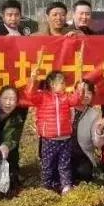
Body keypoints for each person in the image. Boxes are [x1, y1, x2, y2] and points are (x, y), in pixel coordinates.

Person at [24, 60, 83, 194]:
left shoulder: (66, 97)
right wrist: (33, 78)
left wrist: (80, 88)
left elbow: (77, 100)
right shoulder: (42, 97)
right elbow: (29, 94)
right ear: (52, 84)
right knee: (48, 164)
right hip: (49, 138)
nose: (64, 85)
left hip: (65, 138)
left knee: (64, 164)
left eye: (64, 82)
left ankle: (66, 186)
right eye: (61, 82)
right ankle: (46, 187)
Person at [71, 80, 104, 185]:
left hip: (83, 155)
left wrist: (99, 131)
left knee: (84, 174)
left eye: (89, 92)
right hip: (64, 154)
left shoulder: (94, 114)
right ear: (74, 93)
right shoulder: (65, 109)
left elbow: (98, 143)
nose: (85, 95)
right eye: (82, 91)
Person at [0, 86, 25, 197]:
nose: (8, 103)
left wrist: (6, 145)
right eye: (5, 98)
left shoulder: (17, 117)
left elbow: (13, 135)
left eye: (12, 100)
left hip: (7, 151)